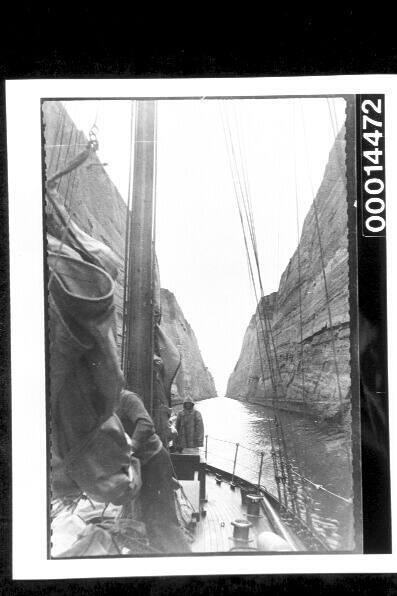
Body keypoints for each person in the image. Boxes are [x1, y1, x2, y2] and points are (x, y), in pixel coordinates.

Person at [116, 389, 191, 553]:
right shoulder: (104, 405)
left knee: (163, 518)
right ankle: (157, 552)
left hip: (155, 461)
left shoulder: (127, 399)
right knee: (145, 515)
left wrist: (131, 447)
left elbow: (146, 423)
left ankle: (182, 558)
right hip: (139, 464)